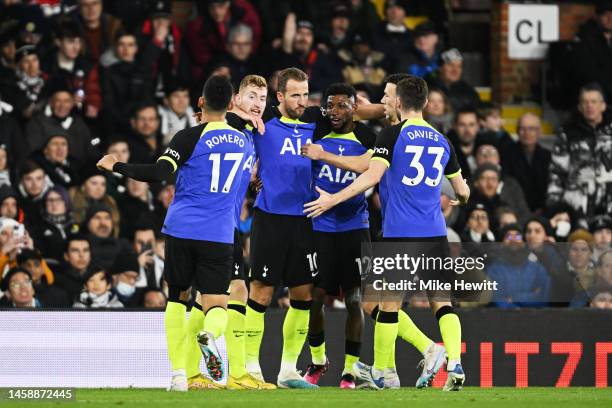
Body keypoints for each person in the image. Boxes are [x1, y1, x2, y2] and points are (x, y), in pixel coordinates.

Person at [304, 76, 470, 391]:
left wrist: (332, 198)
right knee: (442, 304)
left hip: (400, 235)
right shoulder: (442, 139)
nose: (384, 101)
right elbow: (462, 192)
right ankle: (456, 365)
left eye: (387, 97)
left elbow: (371, 175)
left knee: (388, 305)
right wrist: (451, 193)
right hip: (435, 234)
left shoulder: (393, 135)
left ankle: (382, 372)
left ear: (398, 101)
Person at [97, 75, 250, 391]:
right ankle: (209, 335)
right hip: (219, 233)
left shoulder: (189, 137)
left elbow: (159, 173)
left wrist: (116, 165)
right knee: (217, 304)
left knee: (177, 301)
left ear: (201, 103)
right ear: (232, 103)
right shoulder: (246, 142)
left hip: (181, 229)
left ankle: (179, 375)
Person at [548, 83, 612, 223]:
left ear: (603, 106)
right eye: (585, 102)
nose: (589, 106)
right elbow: (557, 172)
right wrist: (557, 207)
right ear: (579, 107)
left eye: (594, 102)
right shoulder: (567, 135)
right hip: (577, 207)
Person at [487, 224, 550, 309]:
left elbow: (542, 298)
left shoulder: (538, 269)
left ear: (524, 242)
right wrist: (528, 298)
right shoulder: (494, 271)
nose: (513, 239)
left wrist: (514, 299)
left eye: (517, 237)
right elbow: (498, 300)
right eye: (508, 237)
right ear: (501, 243)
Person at [502, 112, 551, 213]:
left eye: (531, 129)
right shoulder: (506, 154)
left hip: (543, 210)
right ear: (517, 131)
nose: (526, 133)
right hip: (514, 209)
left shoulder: (548, 156)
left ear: (539, 132)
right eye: (522, 128)